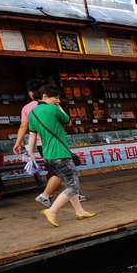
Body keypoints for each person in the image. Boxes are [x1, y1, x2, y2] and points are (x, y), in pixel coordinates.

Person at [26, 85, 95, 227]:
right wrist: (59, 106)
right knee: (73, 186)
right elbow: (67, 121)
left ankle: (79, 211)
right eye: (55, 97)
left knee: (68, 182)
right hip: (61, 154)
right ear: (44, 96)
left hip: (48, 155)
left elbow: (32, 134)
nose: (57, 100)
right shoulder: (53, 109)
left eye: (58, 98)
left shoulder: (32, 113)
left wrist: (31, 153)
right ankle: (52, 210)